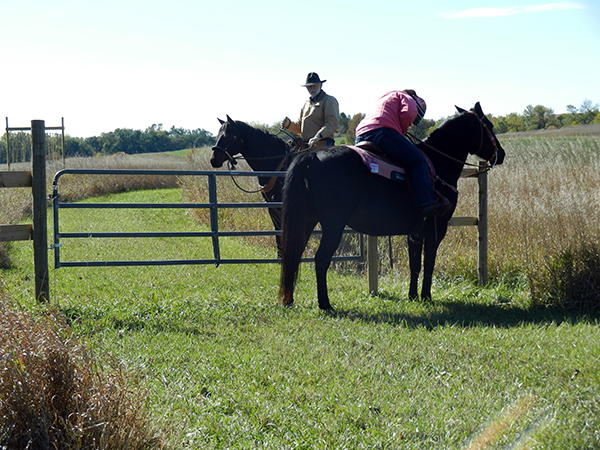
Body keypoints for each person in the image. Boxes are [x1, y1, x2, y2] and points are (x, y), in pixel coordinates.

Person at [354, 89, 445, 218]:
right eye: (416, 118)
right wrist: (402, 130)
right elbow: (408, 113)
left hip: (361, 134)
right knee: (418, 162)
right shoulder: (408, 98)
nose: (413, 122)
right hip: (382, 132)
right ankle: (426, 203)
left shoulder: (385, 97)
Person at [282, 72, 339, 148]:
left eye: (314, 86)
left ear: (320, 85)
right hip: (307, 146)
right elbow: (301, 127)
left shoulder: (329, 100)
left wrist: (318, 136)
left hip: (323, 144)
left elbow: (332, 124)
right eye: (309, 87)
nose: (312, 89)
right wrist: (289, 125)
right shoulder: (306, 104)